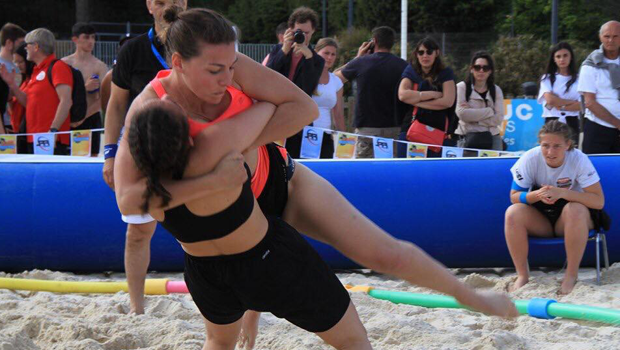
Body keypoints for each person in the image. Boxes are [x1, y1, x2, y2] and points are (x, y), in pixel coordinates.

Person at [115, 7, 518, 348]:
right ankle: (251, 320)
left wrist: (236, 142)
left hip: (280, 181)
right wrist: (223, 158)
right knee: (229, 317)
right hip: (230, 219)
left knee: (381, 252)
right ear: (178, 64)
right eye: (215, 69)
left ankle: (468, 295)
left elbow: (304, 109)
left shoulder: (233, 72)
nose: (226, 78)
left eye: (232, 66)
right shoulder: (151, 110)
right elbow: (129, 199)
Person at [102, 0, 188, 315]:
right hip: (142, 151)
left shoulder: (199, 44)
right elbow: (115, 105)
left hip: (192, 147)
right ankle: (137, 309)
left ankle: (217, 303)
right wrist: (110, 153)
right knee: (138, 232)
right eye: (163, 1)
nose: (171, 6)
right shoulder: (134, 50)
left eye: (176, 0)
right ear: (150, 6)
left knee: (203, 231)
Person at [505, 121, 607, 295]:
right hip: (541, 217)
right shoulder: (530, 158)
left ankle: (571, 275)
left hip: (572, 218)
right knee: (512, 213)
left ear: (568, 145)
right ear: (539, 144)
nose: (550, 152)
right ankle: (522, 275)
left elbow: (598, 202)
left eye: (557, 146)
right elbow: (514, 196)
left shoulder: (579, 159)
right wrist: (537, 195)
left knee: (575, 209)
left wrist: (562, 193)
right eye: (545, 146)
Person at [335, 26, 408, 158]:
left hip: (367, 127)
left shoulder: (361, 62)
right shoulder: (403, 66)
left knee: (365, 170)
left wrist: (357, 58)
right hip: (394, 126)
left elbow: (334, 79)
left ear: (374, 41)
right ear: (392, 43)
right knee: (391, 170)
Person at [1, 28, 72, 154]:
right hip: (35, 137)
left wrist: (53, 130)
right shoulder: (36, 71)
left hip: (51, 138)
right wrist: (12, 84)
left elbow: (66, 101)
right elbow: (29, 103)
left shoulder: (58, 67)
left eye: (27, 45)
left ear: (36, 46)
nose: (25, 48)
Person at [266, 6, 325, 158]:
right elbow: (267, 75)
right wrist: (284, 50)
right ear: (290, 30)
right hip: (276, 113)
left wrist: (309, 58)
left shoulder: (316, 60)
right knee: (273, 158)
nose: (303, 36)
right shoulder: (278, 50)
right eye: (299, 31)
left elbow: (309, 87)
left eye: (306, 33)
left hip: (300, 117)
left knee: (298, 160)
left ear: (313, 32)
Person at [397, 37, 456, 158]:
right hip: (411, 128)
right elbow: (402, 95)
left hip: (436, 131)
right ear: (416, 55)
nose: (425, 56)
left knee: (435, 173)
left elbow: (447, 102)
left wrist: (416, 101)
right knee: (406, 171)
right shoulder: (411, 71)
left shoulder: (445, 73)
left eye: (429, 52)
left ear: (437, 53)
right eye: (421, 52)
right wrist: (431, 95)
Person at [62, 22, 109, 157]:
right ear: (75, 39)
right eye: (87, 37)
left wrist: (83, 117)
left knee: (91, 158)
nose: (91, 41)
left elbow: (104, 97)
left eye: (93, 37)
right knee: (67, 157)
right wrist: (83, 89)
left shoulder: (99, 66)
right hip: (69, 116)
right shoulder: (65, 63)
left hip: (90, 117)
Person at [578, 20, 620, 154]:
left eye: (615, 36)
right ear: (600, 37)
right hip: (598, 128)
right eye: (607, 36)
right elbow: (589, 102)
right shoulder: (590, 65)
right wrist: (617, 123)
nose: (610, 40)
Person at [455, 51, 504, 151]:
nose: (481, 71)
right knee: (466, 167)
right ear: (472, 69)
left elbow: (498, 119)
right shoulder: (461, 87)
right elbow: (462, 114)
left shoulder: (496, 90)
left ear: (490, 71)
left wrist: (472, 118)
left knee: (494, 167)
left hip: (492, 138)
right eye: (477, 67)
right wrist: (489, 111)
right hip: (466, 138)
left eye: (485, 68)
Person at [538, 42, 581, 146]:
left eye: (565, 55)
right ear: (554, 59)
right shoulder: (547, 78)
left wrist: (560, 106)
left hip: (572, 121)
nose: (562, 59)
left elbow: (581, 105)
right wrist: (571, 102)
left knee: (571, 152)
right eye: (558, 56)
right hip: (552, 121)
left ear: (571, 57)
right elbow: (550, 100)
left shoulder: (579, 79)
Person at [312, 38, 345, 158]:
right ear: (316, 52)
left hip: (326, 135)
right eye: (326, 53)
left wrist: (344, 141)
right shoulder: (305, 75)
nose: (329, 57)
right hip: (304, 134)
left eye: (333, 54)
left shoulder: (336, 82)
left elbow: (338, 115)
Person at [0, 23, 26, 134]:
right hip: (4, 125)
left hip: (17, 123)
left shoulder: (22, 66)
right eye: (20, 43)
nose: (24, 47)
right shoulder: (2, 67)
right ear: (9, 43)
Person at [7, 42, 33, 153]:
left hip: (27, 133)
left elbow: (29, 103)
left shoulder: (33, 80)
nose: (17, 65)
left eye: (21, 62)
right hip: (17, 130)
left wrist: (12, 85)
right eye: (15, 62)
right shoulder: (24, 80)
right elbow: (15, 105)